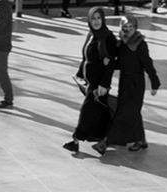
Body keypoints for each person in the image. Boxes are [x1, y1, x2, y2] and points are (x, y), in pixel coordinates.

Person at [63, 7, 117, 154]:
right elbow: (86, 56)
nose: (96, 21)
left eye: (99, 18)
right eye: (93, 18)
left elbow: (111, 63)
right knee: (101, 112)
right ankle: (104, 140)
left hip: (98, 84)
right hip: (91, 81)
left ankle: (76, 140)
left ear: (103, 19)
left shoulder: (108, 37)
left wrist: (104, 84)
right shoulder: (91, 34)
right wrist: (80, 73)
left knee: (87, 111)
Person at [106, 14, 160, 151]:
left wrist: (154, 83)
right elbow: (121, 62)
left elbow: (148, 64)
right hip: (124, 81)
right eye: (125, 27)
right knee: (130, 111)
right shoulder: (122, 43)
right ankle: (141, 140)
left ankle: (108, 140)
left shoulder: (140, 44)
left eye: (131, 27)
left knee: (129, 111)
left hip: (136, 83)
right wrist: (106, 64)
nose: (128, 29)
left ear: (135, 28)